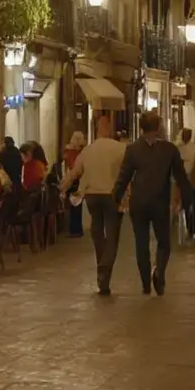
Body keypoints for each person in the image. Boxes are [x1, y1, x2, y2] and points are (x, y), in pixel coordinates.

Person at [112, 112, 194, 296]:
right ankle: (159, 272)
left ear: (141, 127)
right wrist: (187, 199)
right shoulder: (169, 149)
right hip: (159, 201)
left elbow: (124, 176)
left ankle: (145, 283)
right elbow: (181, 176)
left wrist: (115, 198)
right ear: (158, 127)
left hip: (138, 202)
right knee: (164, 241)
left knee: (141, 242)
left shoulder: (133, 149)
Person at [60, 116, 127, 294]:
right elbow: (128, 173)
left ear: (97, 130)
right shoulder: (120, 149)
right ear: (110, 129)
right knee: (112, 235)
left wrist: (62, 188)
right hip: (113, 195)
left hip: (92, 196)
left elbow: (74, 172)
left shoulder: (87, 151)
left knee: (96, 232)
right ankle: (104, 268)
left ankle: (102, 275)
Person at [175, 129, 195, 241]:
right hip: (181, 179)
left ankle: (193, 228)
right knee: (186, 204)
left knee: (191, 204)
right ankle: (190, 226)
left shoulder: (194, 148)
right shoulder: (178, 147)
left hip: (191, 180)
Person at [61, 132, 87, 237]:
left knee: (75, 206)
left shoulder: (69, 152)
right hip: (74, 181)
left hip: (73, 180)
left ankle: (75, 229)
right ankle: (75, 229)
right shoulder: (74, 153)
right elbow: (74, 167)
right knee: (76, 206)